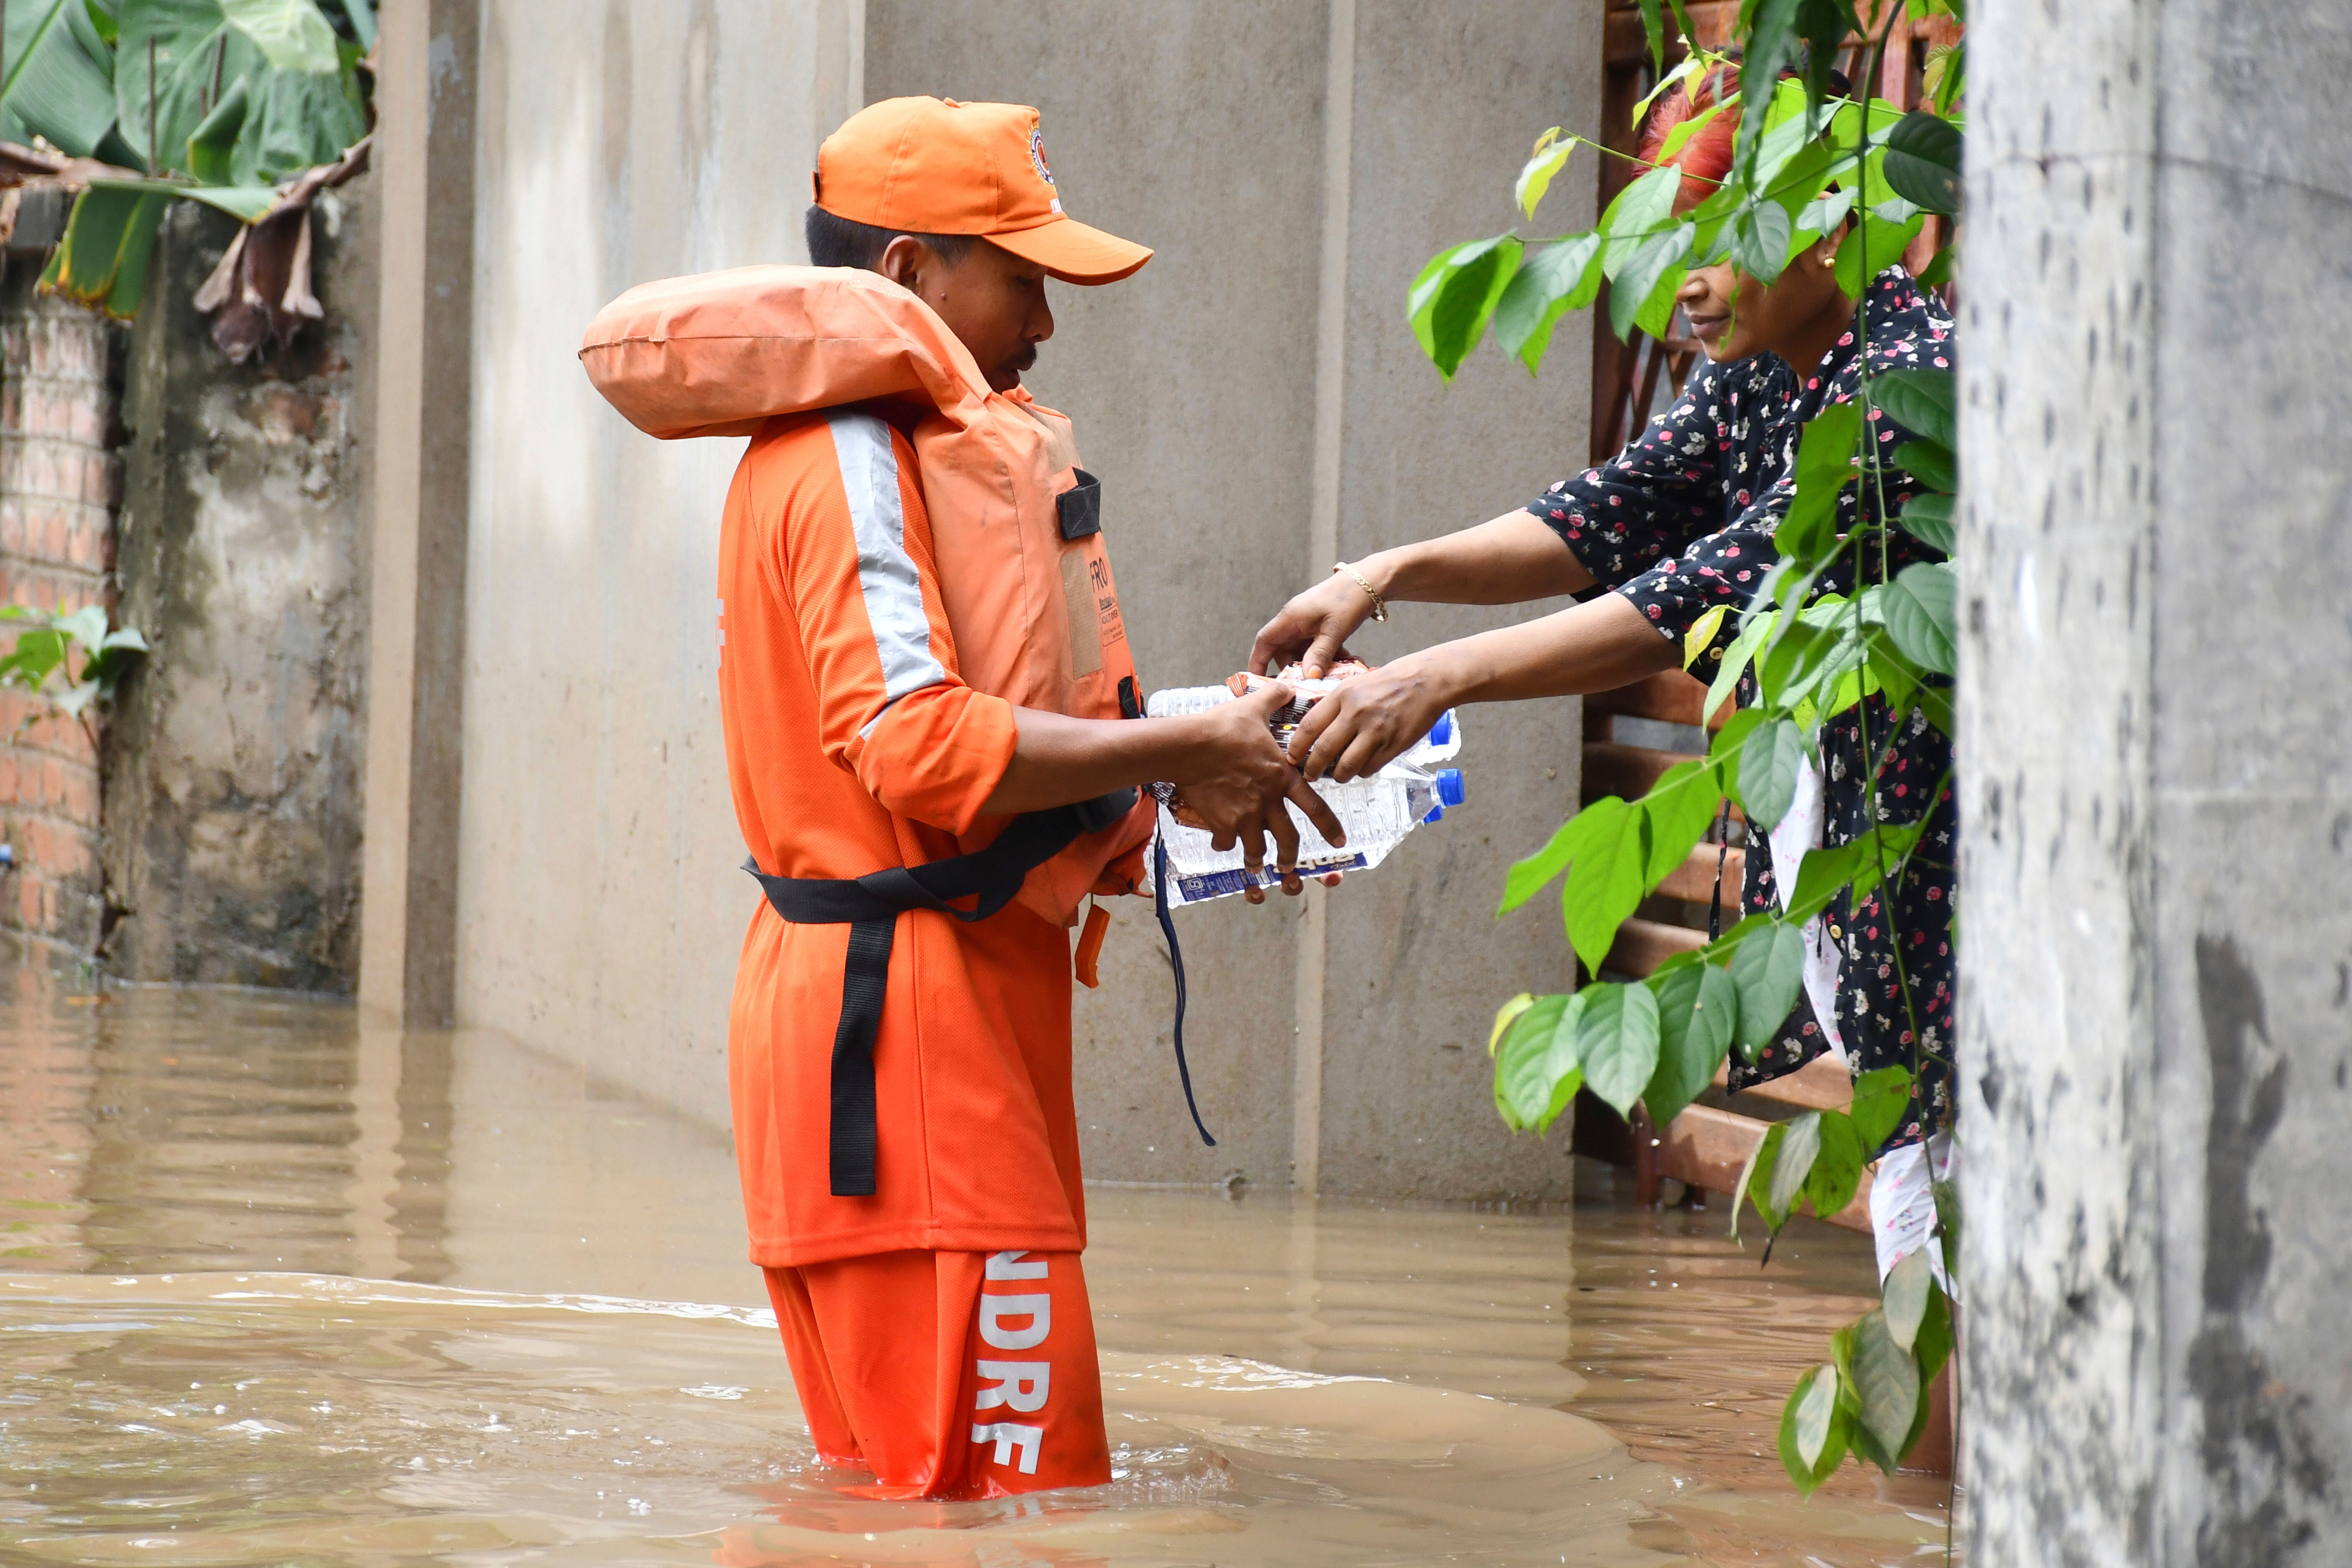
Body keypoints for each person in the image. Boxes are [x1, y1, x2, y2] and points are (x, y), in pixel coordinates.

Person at [582, 96, 1339, 1500]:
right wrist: (1180, 755)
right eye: (1019, 276)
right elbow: (920, 745)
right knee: (1015, 1514)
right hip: (908, 1042)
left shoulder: (849, 452)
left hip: (892, 1018)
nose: (1044, 323)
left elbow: (956, 753)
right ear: (908, 277)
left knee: (904, 1505)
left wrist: (1181, 777)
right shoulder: (855, 452)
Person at [1251, 65, 1956, 1157]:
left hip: (1948, 884)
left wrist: (1434, 678)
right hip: (1846, 855)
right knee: (1924, 1199)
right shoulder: (1761, 373)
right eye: (1671, 247)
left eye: (1716, 241)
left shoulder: (1908, 397)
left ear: (1829, 227)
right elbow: (1598, 517)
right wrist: (1376, 575)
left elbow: (1701, 589)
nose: (1686, 284)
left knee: (1958, 1198)